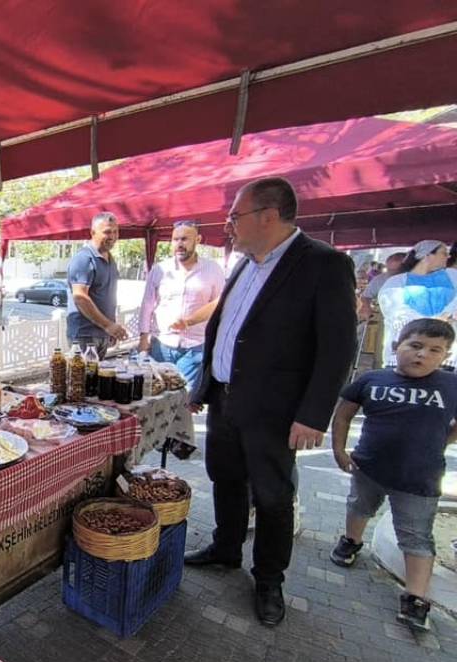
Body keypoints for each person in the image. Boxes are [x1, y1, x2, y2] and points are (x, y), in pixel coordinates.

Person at [184, 177, 357, 627]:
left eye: (235, 216)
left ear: (268, 215)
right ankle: (226, 547)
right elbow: (225, 329)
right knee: (225, 477)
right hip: (226, 400)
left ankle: (268, 579)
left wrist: (313, 415)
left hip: (277, 411)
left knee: (273, 496)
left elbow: (338, 348)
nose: (228, 225)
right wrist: (205, 387)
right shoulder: (244, 264)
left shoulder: (324, 264)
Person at [330, 319, 457, 631]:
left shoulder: (451, 385)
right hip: (368, 467)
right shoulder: (373, 379)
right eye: (415, 346)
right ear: (395, 346)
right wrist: (339, 450)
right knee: (359, 506)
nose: (422, 355)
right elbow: (344, 413)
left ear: (445, 356)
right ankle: (351, 541)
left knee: (416, 535)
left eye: (434, 350)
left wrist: (443, 439)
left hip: (419, 479)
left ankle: (415, 596)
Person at [137, 220, 225, 391]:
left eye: (184, 239)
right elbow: (147, 306)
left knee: (184, 400)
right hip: (162, 345)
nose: (179, 244)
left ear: (198, 240)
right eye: (175, 239)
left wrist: (190, 322)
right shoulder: (160, 269)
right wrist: (143, 339)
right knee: (156, 396)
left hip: (195, 348)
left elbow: (219, 304)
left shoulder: (213, 269)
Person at [377, 240, 457, 367]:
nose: (448, 256)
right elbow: (395, 313)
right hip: (406, 351)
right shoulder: (396, 283)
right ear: (427, 255)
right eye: (443, 253)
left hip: (445, 353)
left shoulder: (453, 277)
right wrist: (435, 320)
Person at [65, 212, 129, 359]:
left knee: (97, 381)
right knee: (83, 381)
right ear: (93, 232)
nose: (112, 236)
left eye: (115, 231)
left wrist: (110, 328)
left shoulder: (110, 259)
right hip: (84, 335)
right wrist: (108, 325)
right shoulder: (84, 258)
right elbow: (80, 297)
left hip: (102, 334)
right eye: (107, 232)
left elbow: (106, 297)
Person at [359, 251, 405, 321]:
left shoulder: (416, 278)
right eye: (389, 270)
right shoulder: (380, 279)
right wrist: (367, 308)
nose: (391, 274)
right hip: (386, 317)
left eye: (396, 271)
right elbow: (365, 296)